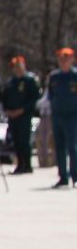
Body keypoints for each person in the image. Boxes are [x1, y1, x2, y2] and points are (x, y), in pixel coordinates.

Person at [5, 55, 41, 176]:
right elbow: (5, 98)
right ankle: (20, 164)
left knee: (25, 140)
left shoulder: (30, 80)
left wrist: (22, 110)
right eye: (15, 66)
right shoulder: (11, 82)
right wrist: (8, 110)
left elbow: (34, 99)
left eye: (19, 65)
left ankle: (27, 165)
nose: (17, 68)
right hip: (12, 116)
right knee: (16, 141)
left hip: (25, 115)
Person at [50, 47, 77, 188]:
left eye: (66, 58)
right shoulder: (54, 77)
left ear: (73, 59)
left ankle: (75, 176)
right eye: (61, 58)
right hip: (57, 115)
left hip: (73, 116)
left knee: (73, 147)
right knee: (59, 148)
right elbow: (50, 95)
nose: (63, 61)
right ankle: (63, 177)